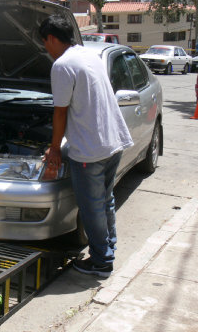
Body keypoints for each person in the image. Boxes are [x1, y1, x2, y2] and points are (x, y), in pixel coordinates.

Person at [38, 15, 133, 277]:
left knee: (91, 208)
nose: (46, 48)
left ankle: (101, 261)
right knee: (105, 200)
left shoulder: (62, 65)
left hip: (90, 150)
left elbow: (60, 112)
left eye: (45, 42)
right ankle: (108, 247)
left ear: (53, 39)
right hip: (112, 141)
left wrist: (55, 148)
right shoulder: (89, 55)